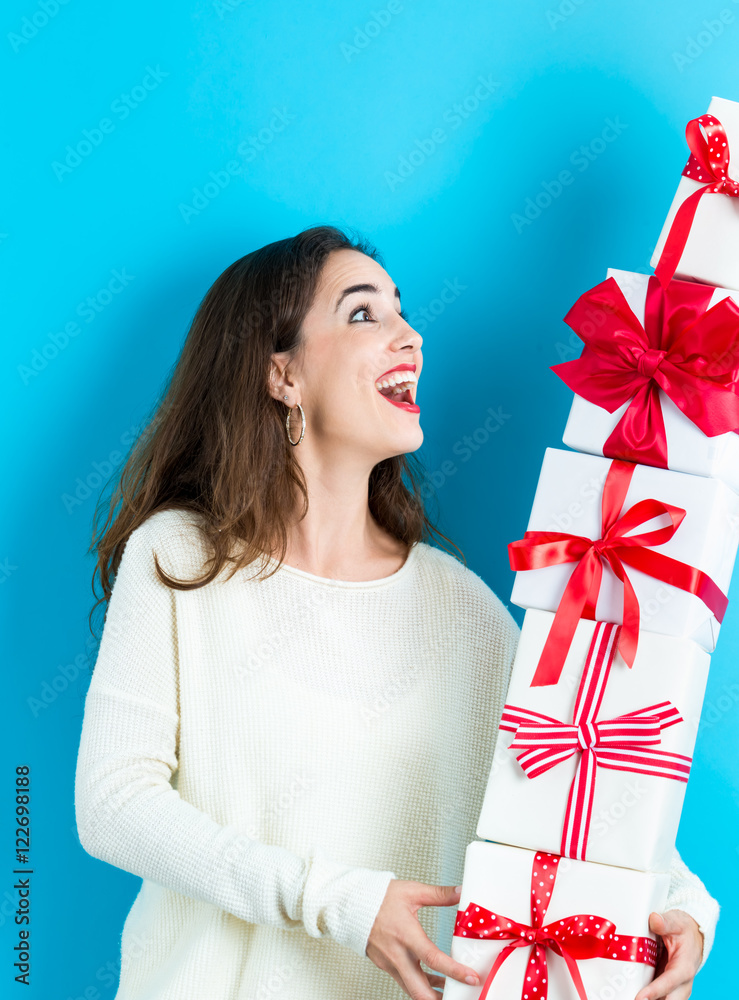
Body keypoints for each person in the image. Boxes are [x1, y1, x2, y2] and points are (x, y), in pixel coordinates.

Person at [74, 225, 718, 1000]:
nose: (409, 336)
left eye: (402, 314)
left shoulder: (460, 607)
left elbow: (568, 783)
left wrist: (676, 905)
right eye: (361, 314)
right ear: (280, 373)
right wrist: (339, 904)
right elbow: (113, 805)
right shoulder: (179, 560)